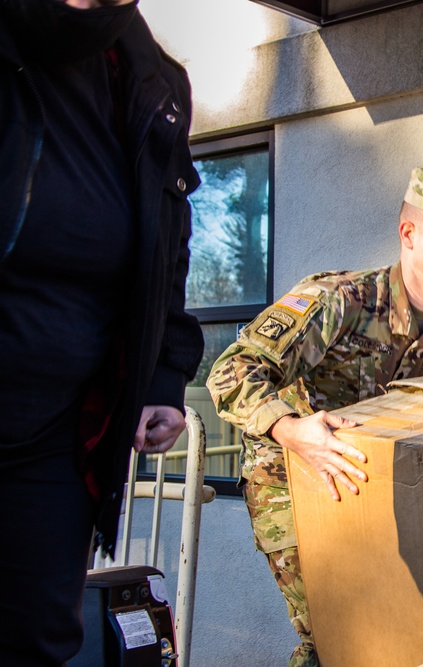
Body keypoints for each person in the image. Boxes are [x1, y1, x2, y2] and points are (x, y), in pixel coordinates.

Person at [207, 167, 423, 667]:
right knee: (335, 640)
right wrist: (291, 429)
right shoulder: (342, 302)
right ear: (409, 234)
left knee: (392, 633)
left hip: (370, 489)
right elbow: (231, 371)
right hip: (290, 480)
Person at [0, 0, 205, 664]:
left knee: (36, 637)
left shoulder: (155, 82)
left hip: (62, 429)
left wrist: (165, 376)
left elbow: (168, 245)